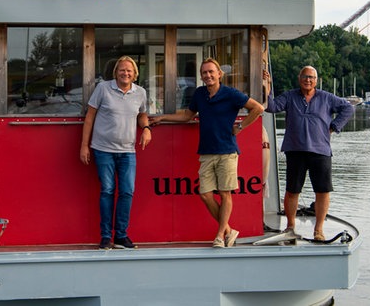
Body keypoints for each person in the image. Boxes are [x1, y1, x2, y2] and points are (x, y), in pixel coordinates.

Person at [150, 58, 264, 248]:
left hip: (227, 151)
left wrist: (241, 127)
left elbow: (258, 108)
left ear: (219, 74)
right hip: (206, 151)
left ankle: (220, 235)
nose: (208, 75)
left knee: (225, 193)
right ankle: (228, 230)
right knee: (205, 194)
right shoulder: (200, 94)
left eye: (211, 72)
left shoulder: (231, 94)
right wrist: (162, 117)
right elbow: (187, 116)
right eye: (204, 73)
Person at [263, 65, 353, 241]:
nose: (308, 80)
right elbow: (271, 107)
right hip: (295, 150)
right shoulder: (290, 96)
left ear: (316, 80)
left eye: (311, 77)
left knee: (322, 191)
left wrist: (335, 127)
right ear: (299, 78)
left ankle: (318, 230)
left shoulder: (326, 98)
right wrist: (268, 86)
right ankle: (290, 227)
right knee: (292, 190)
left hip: (321, 151)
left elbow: (348, 108)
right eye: (305, 76)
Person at [80, 56, 152, 250]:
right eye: (122, 70)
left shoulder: (140, 93)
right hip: (103, 150)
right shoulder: (103, 88)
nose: (125, 73)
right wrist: (84, 145)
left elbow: (142, 114)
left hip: (128, 151)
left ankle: (121, 235)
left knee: (127, 191)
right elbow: (90, 116)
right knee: (108, 191)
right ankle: (105, 237)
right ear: (116, 72)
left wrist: (146, 128)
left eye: (129, 70)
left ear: (135, 74)